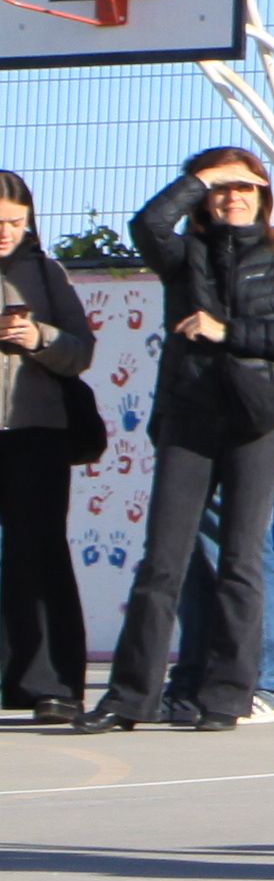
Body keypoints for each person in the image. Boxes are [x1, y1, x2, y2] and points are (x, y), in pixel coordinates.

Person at [85, 147, 274, 732]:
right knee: (162, 563)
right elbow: (146, 225)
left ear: (265, 197)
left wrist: (228, 332)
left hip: (258, 421)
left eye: (245, 187)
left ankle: (228, 695)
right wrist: (199, 178)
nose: (233, 197)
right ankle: (128, 698)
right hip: (189, 418)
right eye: (223, 188)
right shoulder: (182, 256)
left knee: (241, 559)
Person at [0, 172, 107, 719]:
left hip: (37, 431)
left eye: (15, 222)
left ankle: (51, 685)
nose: (5, 232)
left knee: (39, 553)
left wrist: (38, 338)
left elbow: (81, 351)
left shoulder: (47, 272)